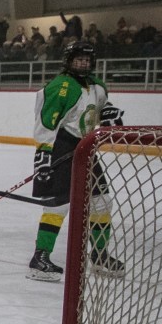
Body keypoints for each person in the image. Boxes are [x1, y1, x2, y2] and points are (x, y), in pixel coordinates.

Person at [27, 41, 126, 282]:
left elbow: (98, 112)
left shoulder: (98, 87)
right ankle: (39, 259)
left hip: (86, 149)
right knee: (57, 205)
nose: (83, 63)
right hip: (62, 145)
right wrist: (44, 154)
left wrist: (111, 115)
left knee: (101, 202)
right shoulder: (60, 86)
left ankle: (100, 255)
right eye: (78, 59)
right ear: (69, 61)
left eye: (86, 59)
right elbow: (46, 122)